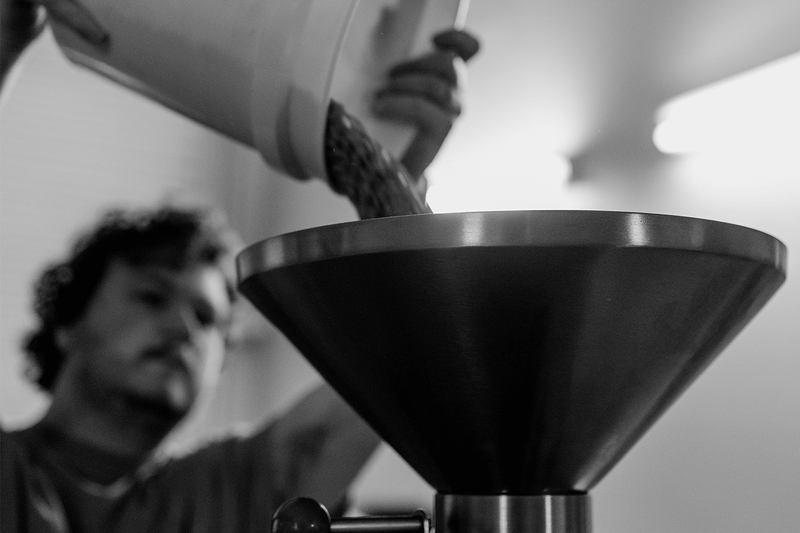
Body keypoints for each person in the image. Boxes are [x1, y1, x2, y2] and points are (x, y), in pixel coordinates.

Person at [1, 1, 481, 532]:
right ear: (68, 323)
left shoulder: (241, 488)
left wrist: (397, 170)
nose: (184, 328)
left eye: (207, 320)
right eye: (152, 296)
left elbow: (418, 358)